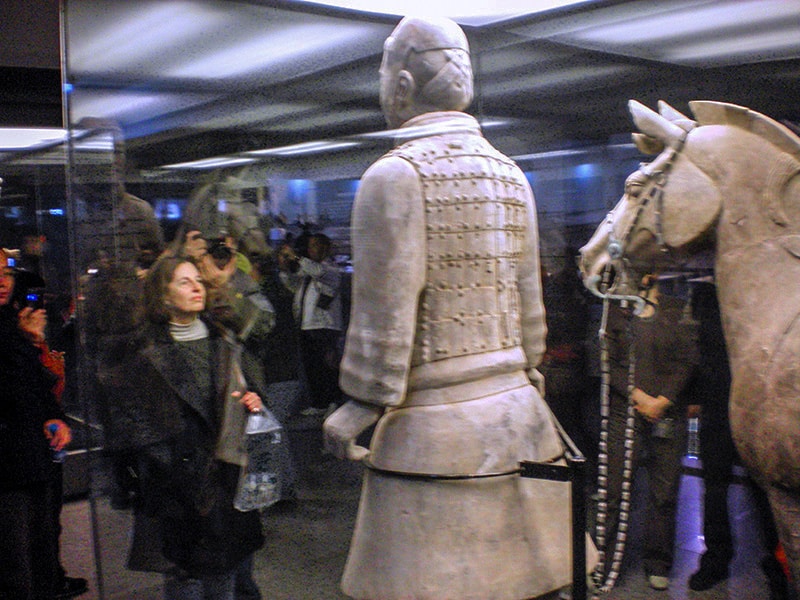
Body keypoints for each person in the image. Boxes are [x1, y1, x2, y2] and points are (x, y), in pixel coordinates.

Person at [323, 16, 581, 599]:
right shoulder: (513, 175)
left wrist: (358, 405)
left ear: (404, 84)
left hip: (432, 430)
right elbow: (528, 304)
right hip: (520, 416)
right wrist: (527, 368)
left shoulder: (393, 176)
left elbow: (385, 314)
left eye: (383, 73)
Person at [124, 255, 266, 599]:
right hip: (176, 484)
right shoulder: (144, 350)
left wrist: (253, 401)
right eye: (184, 282)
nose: (196, 287)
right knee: (185, 578)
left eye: (197, 281)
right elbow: (133, 420)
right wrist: (168, 469)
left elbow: (251, 389)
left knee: (225, 574)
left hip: (225, 474)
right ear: (163, 294)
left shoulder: (224, 340)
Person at [597, 274, 699, 592]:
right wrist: (638, 397)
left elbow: (688, 359)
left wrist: (664, 400)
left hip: (668, 415)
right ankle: (602, 562)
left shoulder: (678, 308)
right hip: (623, 413)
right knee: (613, 490)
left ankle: (658, 562)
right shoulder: (615, 308)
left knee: (664, 494)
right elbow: (605, 359)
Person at [0, 248, 85, 599]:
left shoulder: (9, 320)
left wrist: (55, 416)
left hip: (31, 452)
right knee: (15, 562)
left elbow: (36, 384)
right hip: (8, 463)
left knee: (42, 543)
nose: (2, 282)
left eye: (5, 273)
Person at [279, 233, 342, 416]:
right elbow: (292, 284)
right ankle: (319, 403)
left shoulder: (330, 269)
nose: (311, 249)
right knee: (312, 368)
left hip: (324, 326)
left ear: (325, 248)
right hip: (307, 326)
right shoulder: (307, 273)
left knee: (327, 366)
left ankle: (333, 401)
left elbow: (317, 271)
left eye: (315, 245)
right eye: (310, 245)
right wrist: (284, 268)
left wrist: (296, 257)